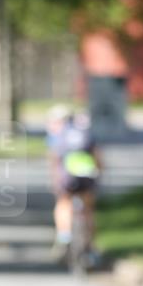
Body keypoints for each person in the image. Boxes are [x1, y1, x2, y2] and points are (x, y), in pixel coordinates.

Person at [48, 109, 102, 265]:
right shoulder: (87, 135)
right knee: (88, 210)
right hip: (87, 176)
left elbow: (54, 159)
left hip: (67, 178)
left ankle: (64, 237)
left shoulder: (60, 136)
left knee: (63, 203)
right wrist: (100, 172)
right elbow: (98, 157)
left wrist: (54, 180)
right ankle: (90, 246)